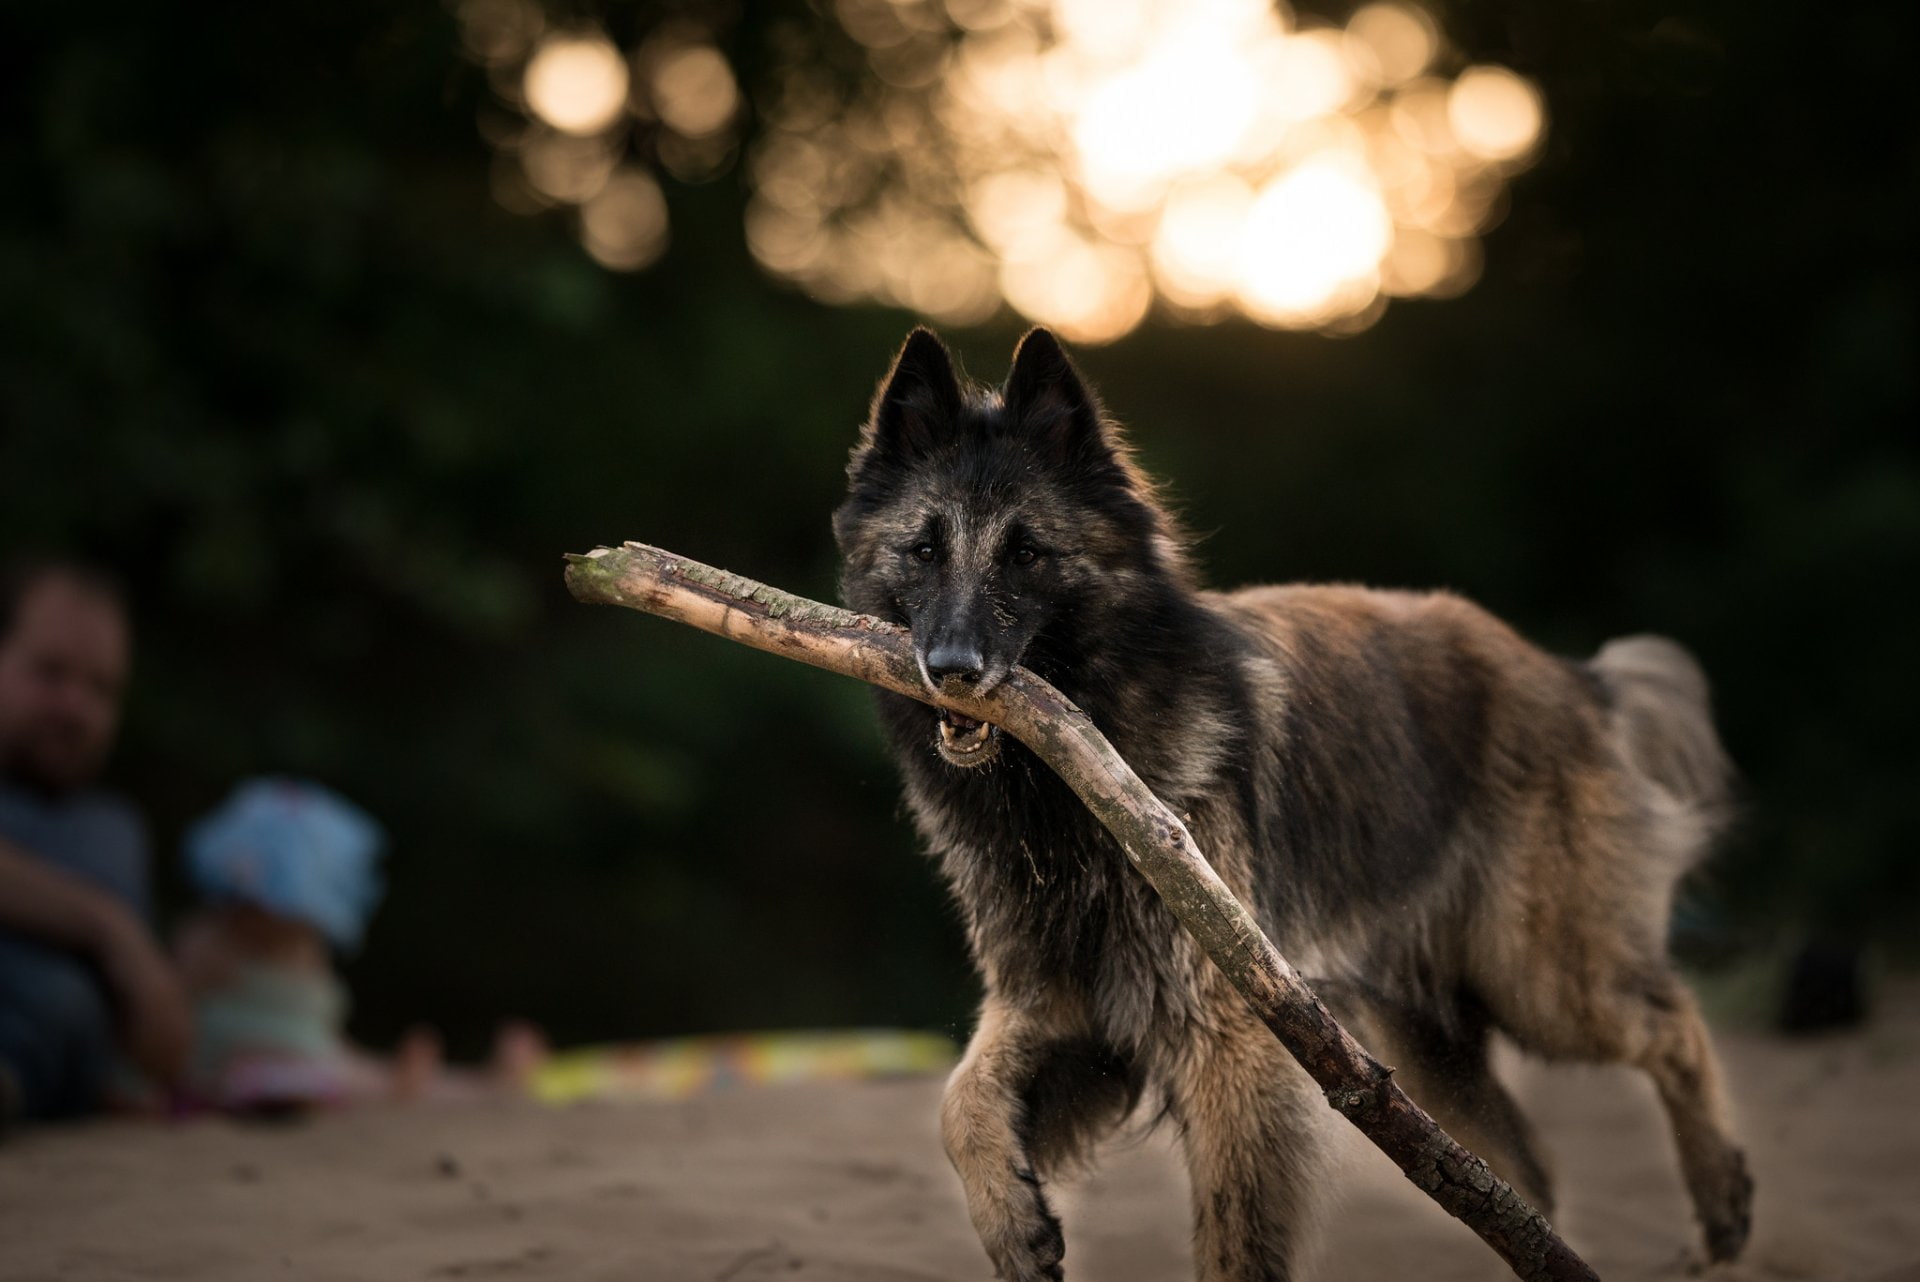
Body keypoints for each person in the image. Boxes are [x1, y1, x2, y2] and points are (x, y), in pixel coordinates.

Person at [0, 559, 189, 1131]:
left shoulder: (110, 832)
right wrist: (105, 923)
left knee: (65, 1000)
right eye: (50, 673)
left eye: (101, 688)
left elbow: (165, 1050)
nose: (75, 707)